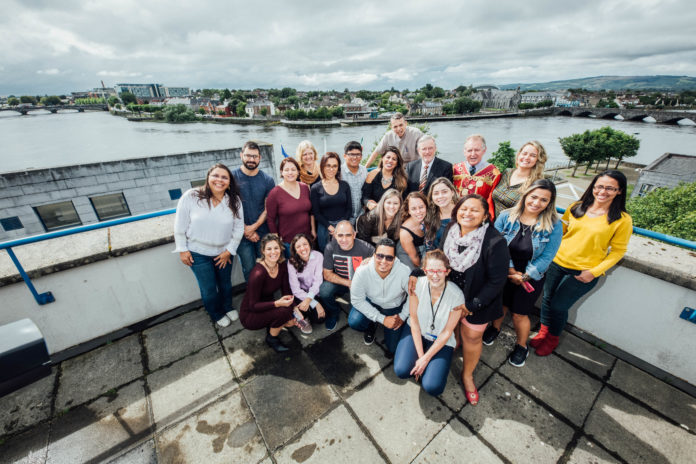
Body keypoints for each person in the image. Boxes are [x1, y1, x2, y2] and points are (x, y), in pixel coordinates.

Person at [411, 194, 509, 404]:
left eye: (475, 210)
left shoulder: (495, 241)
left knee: (472, 338)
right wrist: (419, 272)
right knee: (452, 329)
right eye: (464, 209)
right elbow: (441, 259)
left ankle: (467, 375)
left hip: (477, 301)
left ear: (485, 215)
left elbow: (497, 281)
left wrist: (472, 305)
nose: (468, 213)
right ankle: (450, 348)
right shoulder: (450, 230)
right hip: (451, 294)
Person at [534, 170, 632, 356]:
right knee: (547, 299)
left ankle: (552, 338)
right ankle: (543, 332)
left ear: (619, 191)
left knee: (559, 306)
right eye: (599, 186)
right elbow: (560, 231)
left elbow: (618, 251)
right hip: (557, 262)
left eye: (610, 188)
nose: (603, 191)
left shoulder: (622, 219)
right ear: (593, 187)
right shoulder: (577, 207)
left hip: (583, 271)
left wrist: (594, 272)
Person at [484, 179, 563, 367]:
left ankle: (521, 346)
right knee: (500, 305)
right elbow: (498, 244)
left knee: (520, 313)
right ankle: (495, 328)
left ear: (549, 203)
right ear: (526, 195)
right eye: (534, 197)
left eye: (544, 200)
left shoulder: (554, 224)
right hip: (504, 268)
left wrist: (525, 276)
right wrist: (511, 270)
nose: (536, 203)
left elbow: (547, 257)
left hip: (532, 275)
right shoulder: (506, 216)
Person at [174, 163, 244, 328]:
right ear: (208, 178)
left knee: (225, 283)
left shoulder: (234, 200)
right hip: (198, 253)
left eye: (224, 177)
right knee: (209, 288)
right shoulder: (191, 196)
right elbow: (179, 224)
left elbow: (239, 227)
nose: (219, 180)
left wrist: (229, 250)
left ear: (229, 182)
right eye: (216, 176)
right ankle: (216, 313)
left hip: (224, 252)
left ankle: (227, 307)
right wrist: (182, 249)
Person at [394, 250, 464, 396]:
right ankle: (422, 359)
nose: (435, 275)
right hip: (417, 331)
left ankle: (433, 365)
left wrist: (425, 359)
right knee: (401, 370)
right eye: (431, 270)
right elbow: (413, 319)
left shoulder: (457, 296)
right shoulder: (417, 285)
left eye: (440, 271)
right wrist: (421, 357)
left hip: (440, 339)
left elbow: (447, 332)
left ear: (447, 272)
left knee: (433, 387)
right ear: (425, 271)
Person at [349, 238, 410, 356]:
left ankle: (382, 323)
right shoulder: (362, 271)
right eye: (380, 256)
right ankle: (372, 323)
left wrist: (402, 316)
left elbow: (414, 296)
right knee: (355, 321)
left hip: (394, 307)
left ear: (395, 258)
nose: (383, 261)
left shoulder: (404, 271)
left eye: (389, 257)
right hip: (372, 302)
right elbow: (356, 300)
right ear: (374, 255)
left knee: (392, 348)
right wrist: (382, 319)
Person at [240, 234, 298, 352]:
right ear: (263, 251)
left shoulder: (281, 265)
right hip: (250, 314)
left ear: (281, 249)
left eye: (276, 248)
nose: (273, 252)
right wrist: (279, 305)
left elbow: (286, 291)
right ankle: (272, 339)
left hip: (267, 304)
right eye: (269, 249)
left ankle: (273, 322)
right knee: (283, 312)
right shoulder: (258, 273)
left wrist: (294, 311)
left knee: (288, 314)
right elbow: (253, 306)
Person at [318, 221, 375, 330]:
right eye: (340, 235)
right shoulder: (330, 247)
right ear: (335, 235)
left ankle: (370, 324)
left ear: (354, 234)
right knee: (324, 290)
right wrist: (349, 283)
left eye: (348, 235)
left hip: (362, 286)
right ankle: (334, 312)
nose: (344, 239)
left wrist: (373, 260)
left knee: (355, 321)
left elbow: (382, 262)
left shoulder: (367, 248)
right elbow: (327, 274)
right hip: (343, 282)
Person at [232, 141, 275, 280]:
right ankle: (253, 299)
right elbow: (228, 207)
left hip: (263, 232)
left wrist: (253, 227)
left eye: (255, 156)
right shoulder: (232, 178)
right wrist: (246, 229)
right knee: (249, 270)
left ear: (260, 158)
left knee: (266, 266)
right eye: (248, 156)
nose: (251, 159)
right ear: (241, 155)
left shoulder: (267, 180)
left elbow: (268, 208)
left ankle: (267, 299)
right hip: (241, 234)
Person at [266, 157, 315, 255]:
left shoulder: (305, 187)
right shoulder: (275, 193)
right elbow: (270, 219)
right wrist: (277, 241)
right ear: (282, 172)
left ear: (298, 171)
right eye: (286, 170)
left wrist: (313, 230)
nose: (290, 173)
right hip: (289, 242)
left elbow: (310, 212)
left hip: (307, 239)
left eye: (293, 169)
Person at [491, 141, 548, 218]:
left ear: (538, 160)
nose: (527, 157)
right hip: (491, 223)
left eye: (533, 155)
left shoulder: (536, 185)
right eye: (524, 153)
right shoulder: (507, 172)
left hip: (510, 227)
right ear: (519, 155)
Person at [310, 152, 353, 251]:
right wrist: (330, 227)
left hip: (343, 226)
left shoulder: (344, 185)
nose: (331, 169)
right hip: (324, 227)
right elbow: (316, 212)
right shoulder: (316, 188)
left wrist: (339, 227)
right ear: (322, 167)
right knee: (326, 254)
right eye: (328, 165)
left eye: (334, 166)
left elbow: (349, 209)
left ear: (338, 168)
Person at [452, 134, 501, 217]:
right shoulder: (455, 169)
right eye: (469, 150)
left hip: (479, 218)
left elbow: (491, 202)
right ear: (464, 151)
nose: (473, 154)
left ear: (484, 150)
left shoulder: (493, 173)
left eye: (477, 150)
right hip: (456, 215)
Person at [287, 233, 326, 334]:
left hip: (315, 292)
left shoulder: (318, 256)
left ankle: (302, 313)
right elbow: (295, 289)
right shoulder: (291, 262)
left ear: (309, 244)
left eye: (305, 244)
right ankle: (298, 314)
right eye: (298, 246)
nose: (303, 248)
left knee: (320, 319)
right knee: (302, 306)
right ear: (295, 250)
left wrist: (310, 299)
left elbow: (318, 281)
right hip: (300, 294)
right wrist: (314, 303)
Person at [361, 146, 408, 211]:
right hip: (373, 213)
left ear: (397, 163)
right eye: (388, 157)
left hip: (391, 214)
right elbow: (364, 197)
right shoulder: (373, 174)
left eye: (394, 159)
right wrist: (369, 203)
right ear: (382, 158)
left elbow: (403, 202)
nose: (390, 161)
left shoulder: (401, 180)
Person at [424, 178, 459, 251]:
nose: (440, 196)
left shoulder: (463, 213)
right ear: (432, 197)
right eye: (436, 193)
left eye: (444, 192)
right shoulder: (430, 215)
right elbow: (429, 246)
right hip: (437, 259)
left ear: (452, 192)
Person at [396, 192, 428, 271]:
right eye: (413, 209)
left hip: (423, 247)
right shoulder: (405, 232)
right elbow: (414, 258)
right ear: (409, 211)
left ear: (426, 206)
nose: (418, 212)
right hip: (408, 253)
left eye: (421, 207)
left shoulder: (429, 218)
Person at [341, 141, 368, 224]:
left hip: (361, 215)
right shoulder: (339, 172)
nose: (355, 157)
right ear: (345, 156)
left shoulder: (364, 170)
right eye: (351, 154)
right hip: (343, 217)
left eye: (358, 154)